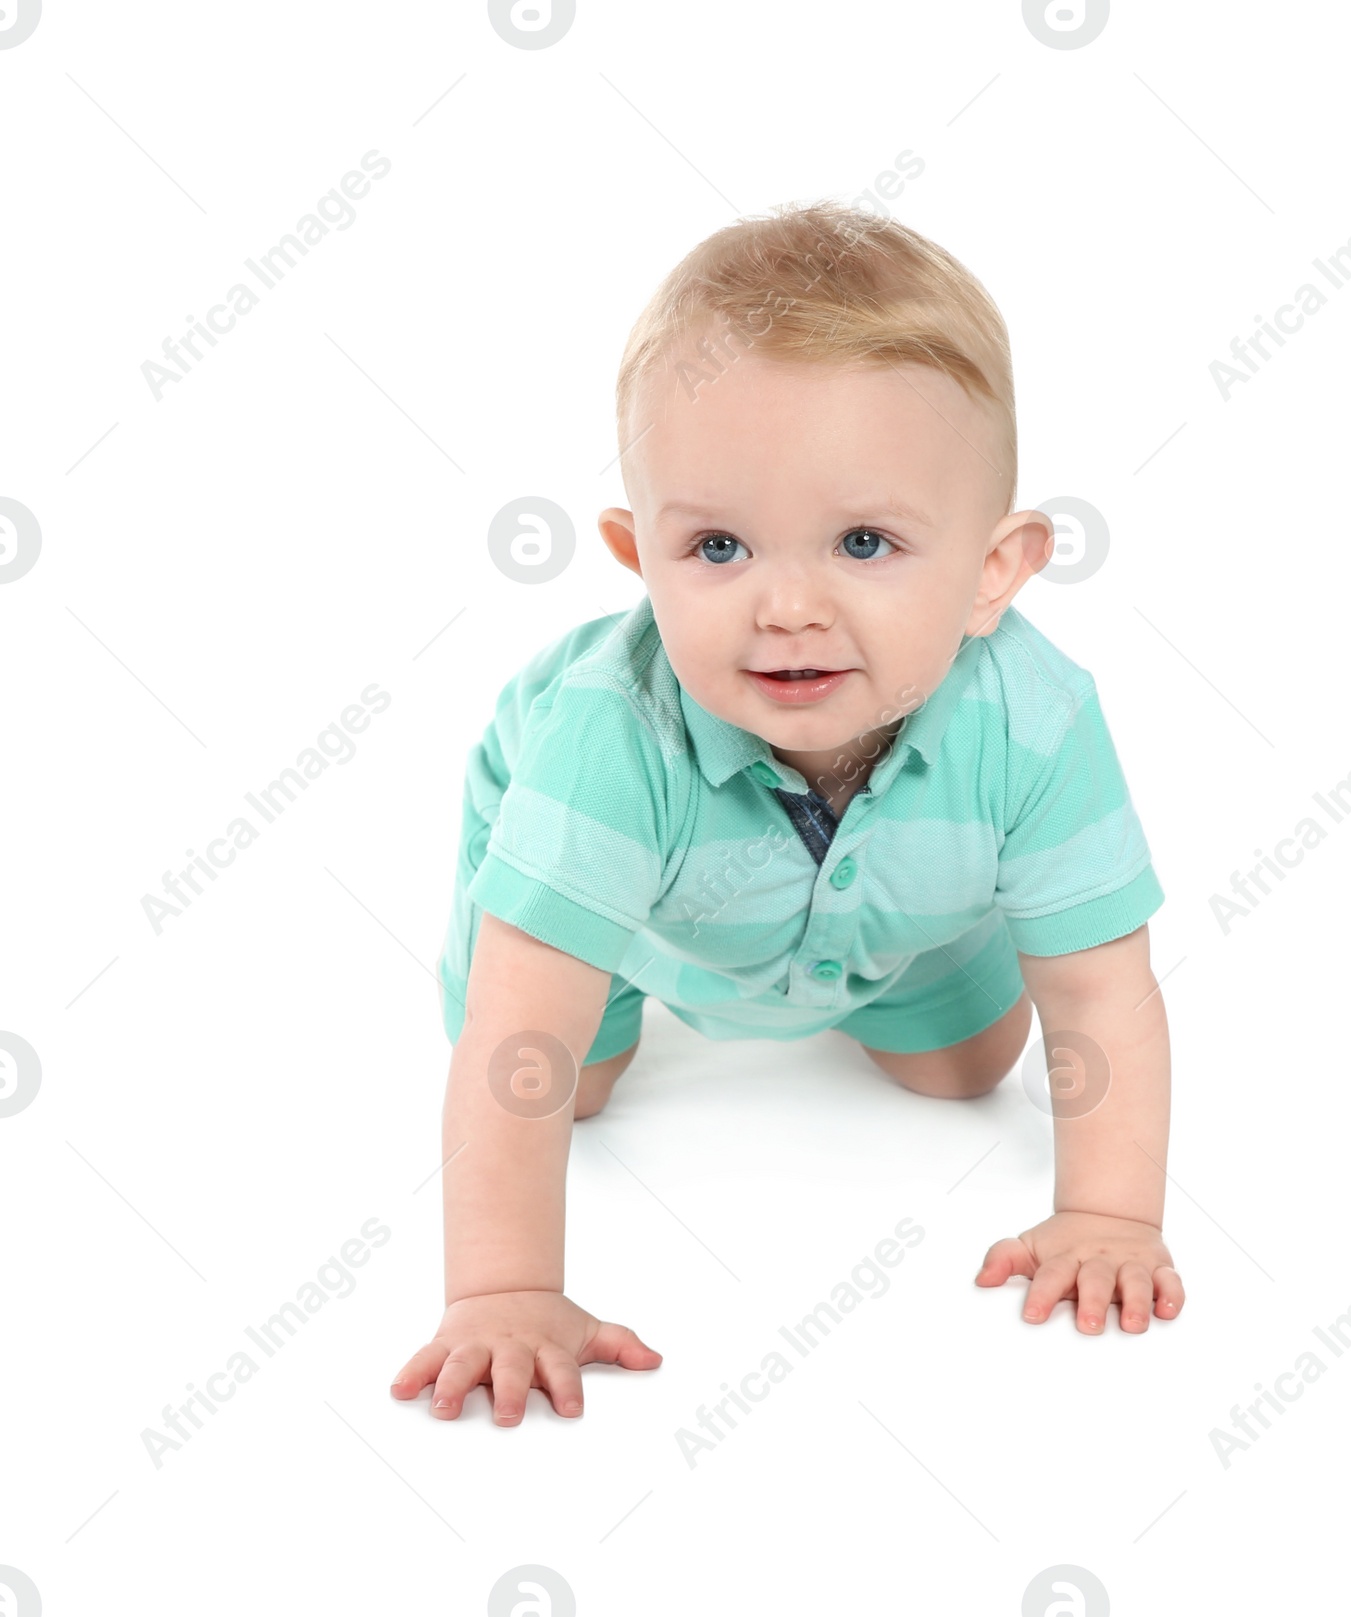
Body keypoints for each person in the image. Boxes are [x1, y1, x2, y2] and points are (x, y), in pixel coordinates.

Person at [392, 200, 1185, 1427]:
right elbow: (516, 1045)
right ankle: (637, 972)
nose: (787, 606)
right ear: (636, 556)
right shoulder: (606, 739)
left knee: (966, 1073)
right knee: (577, 1082)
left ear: (993, 571)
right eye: (716, 548)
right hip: (614, 887)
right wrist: (502, 1290)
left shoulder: (1037, 716)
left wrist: (1109, 1214)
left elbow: (1101, 994)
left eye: (863, 541)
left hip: (901, 898)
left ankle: (917, 939)